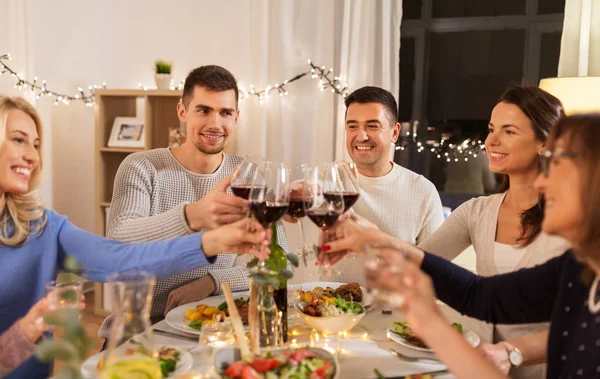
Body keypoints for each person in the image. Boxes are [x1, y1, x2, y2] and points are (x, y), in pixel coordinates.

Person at [0, 96, 269, 378]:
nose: (32, 155)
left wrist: (210, 242)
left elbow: (124, 259)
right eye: (19, 140)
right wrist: (28, 329)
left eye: (36, 144)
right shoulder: (141, 166)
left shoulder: (43, 226)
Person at [322, 113, 600, 379]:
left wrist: (431, 323)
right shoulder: (578, 270)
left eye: (557, 164)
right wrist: (376, 240)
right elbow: (481, 295)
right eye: (492, 129)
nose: (542, 181)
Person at [98, 65, 289, 339]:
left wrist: (212, 282)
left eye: (225, 112)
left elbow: (279, 263)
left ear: (236, 117)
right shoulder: (142, 167)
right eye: (204, 110)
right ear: (182, 112)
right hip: (141, 331)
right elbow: (118, 243)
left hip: (212, 328)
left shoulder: (247, 176)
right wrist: (191, 216)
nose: (215, 123)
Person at [417, 85, 571, 378]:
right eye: (491, 129)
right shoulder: (477, 211)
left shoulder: (574, 222)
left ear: (545, 142)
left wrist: (513, 353)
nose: (491, 141)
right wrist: (369, 240)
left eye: (509, 131)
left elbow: (580, 324)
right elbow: (421, 263)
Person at [322, 86, 444, 285]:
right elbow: (297, 195)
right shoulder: (328, 177)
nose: (361, 136)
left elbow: (437, 270)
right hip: (332, 311)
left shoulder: (423, 191)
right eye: (352, 127)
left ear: (395, 132)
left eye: (372, 126)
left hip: (394, 312)